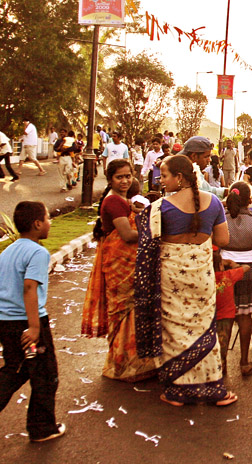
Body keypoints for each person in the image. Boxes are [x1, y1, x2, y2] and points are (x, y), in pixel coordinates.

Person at [134, 155, 237, 407]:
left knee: (175, 331)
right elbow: (223, 240)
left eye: (164, 175)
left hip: (172, 278)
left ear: (179, 177)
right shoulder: (213, 202)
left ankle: (177, 391)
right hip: (202, 276)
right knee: (204, 327)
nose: (161, 180)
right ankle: (213, 388)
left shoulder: (160, 208)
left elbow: (146, 243)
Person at [0, 201, 65, 444]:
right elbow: (29, 288)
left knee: (16, 369)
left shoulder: (9, 250)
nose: (50, 223)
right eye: (48, 219)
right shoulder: (38, 252)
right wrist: (34, 327)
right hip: (26, 324)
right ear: (37, 224)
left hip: (5, 321)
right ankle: (42, 428)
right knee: (45, 373)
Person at [81, 159, 158, 382]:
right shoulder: (114, 201)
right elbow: (127, 235)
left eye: (128, 176)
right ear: (110, 179)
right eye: (119, 177)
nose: (124, 181)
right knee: (125, 311)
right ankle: (125, 366)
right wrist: (155, 233)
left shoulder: (122, 200)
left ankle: (133, 363)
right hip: (120, 263)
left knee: (132, 311)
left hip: (127, 262)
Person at [222, 182, 252, 376]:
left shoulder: (221, 219)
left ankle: (222, 363)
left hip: (225, 269)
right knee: (245, 315)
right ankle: (244, 362)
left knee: (223, 317)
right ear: (249, 200)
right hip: (249, 271)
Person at [212, 250, 249, 377]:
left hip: (210, 316)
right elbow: (246, 268)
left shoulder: (206, 279)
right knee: (223, 342)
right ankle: (222, 366)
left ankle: (213, 367)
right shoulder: (228, 275)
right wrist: (232, 264)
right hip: (226, 316)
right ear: (221, 265)